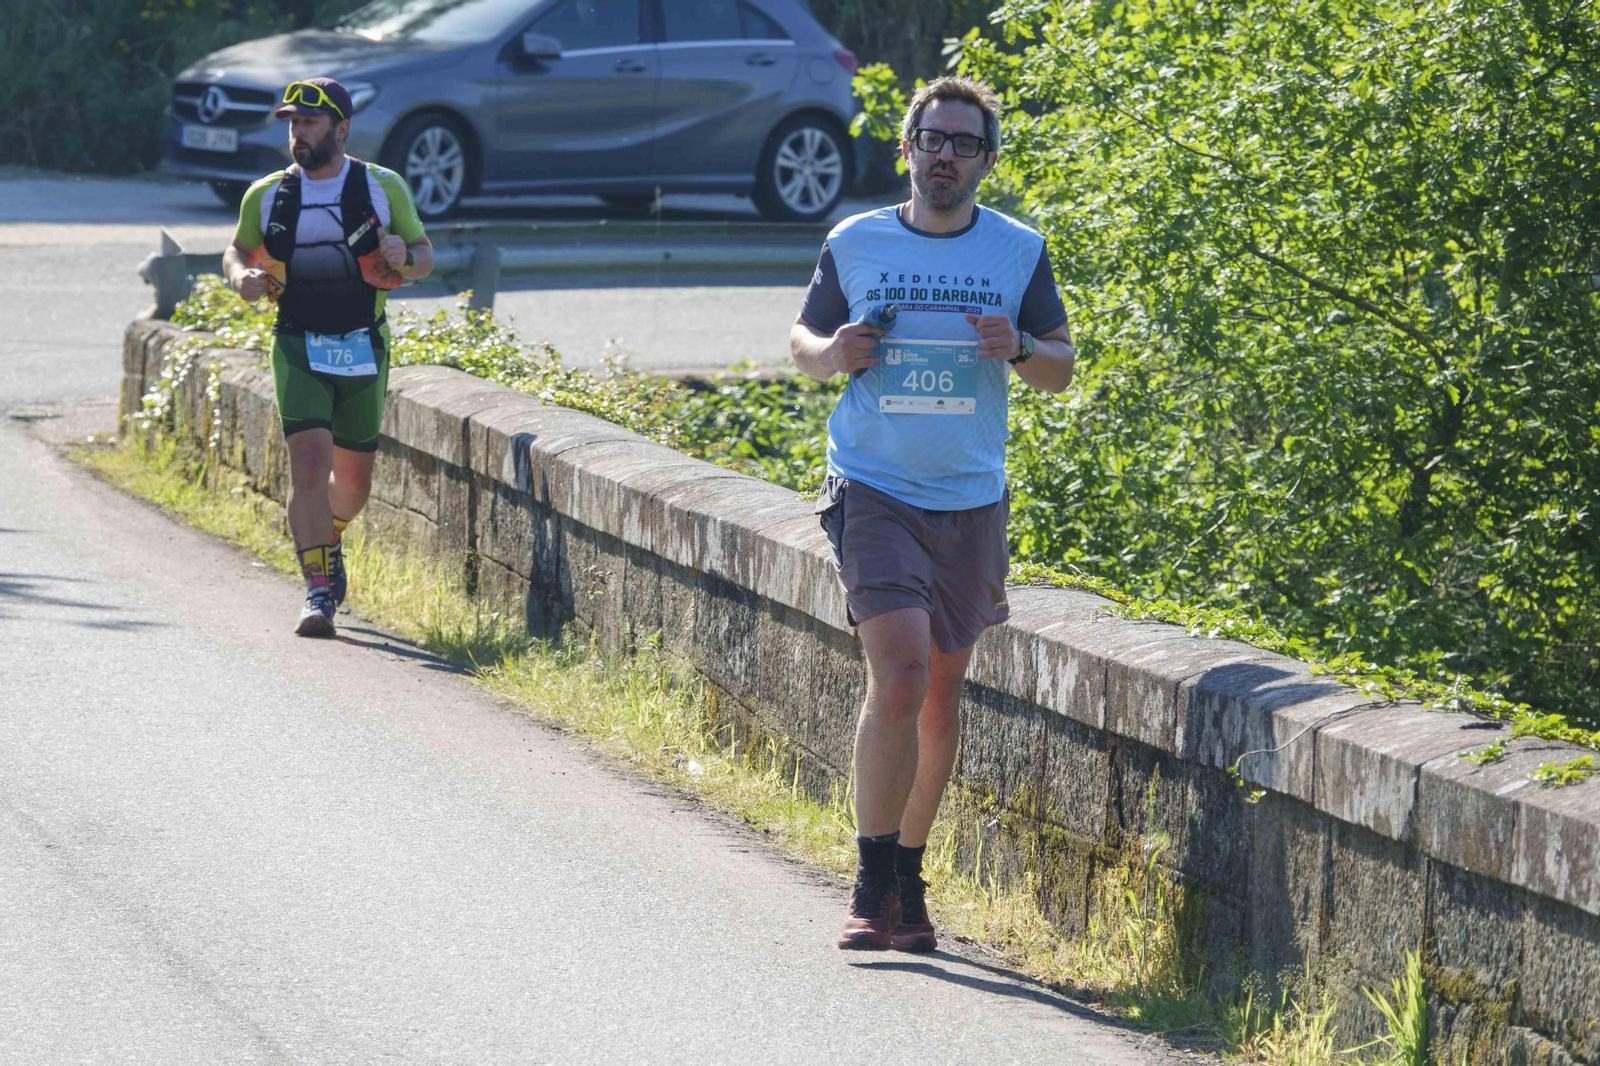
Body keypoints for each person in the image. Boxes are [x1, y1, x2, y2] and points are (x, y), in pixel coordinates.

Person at [790, 76, 1075, 951]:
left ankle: (909, 880)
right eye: (932, 138)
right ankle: (871, 880)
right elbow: (803, 347)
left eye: (964, 143)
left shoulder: (1018, 251)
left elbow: (1060, 368)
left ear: (987, 160)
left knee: (941, 696)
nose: (945, 154)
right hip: (873, 486)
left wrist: (1021, 347)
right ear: (906, 147)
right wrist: (833, 351)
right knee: (903, 672)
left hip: (969, 497)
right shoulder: (858, 240)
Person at [221, 77, 434, 637]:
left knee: (354, 486)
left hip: (364, 344)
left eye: (310, 123)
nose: (299, 133)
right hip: (297, 343)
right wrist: (241, 275)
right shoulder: (266, 193)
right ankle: (317, 591)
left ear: (341, 129)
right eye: (293, 124)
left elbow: (424, 256)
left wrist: (402, 256)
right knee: (310, 465)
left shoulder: (383, 187)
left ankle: (329, 534)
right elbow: (239, 248)